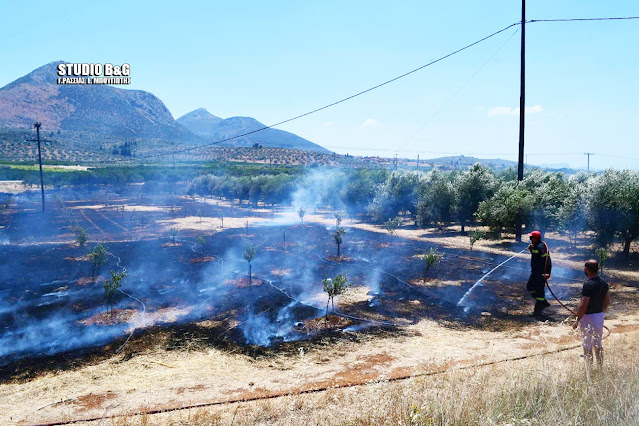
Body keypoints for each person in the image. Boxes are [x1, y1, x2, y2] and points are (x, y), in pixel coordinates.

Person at [572, 259, 610, 367]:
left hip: (587, 318)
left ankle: (588, 369)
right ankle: (599, 367)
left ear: (586, 269)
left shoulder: (588, 285)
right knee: (598, 344)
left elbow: (583, 305)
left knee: (587, 344)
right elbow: (607, 302)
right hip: (599, 316)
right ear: (597, 269)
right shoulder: (604, 283)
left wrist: (577, 320)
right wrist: (600, 313)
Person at [526, 230, 552, 316]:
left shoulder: (541, 247)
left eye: (531, 237)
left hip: (541, 273)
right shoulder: (536, 246)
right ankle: (543, 302)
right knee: (530, 287)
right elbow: (537, 258)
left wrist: (547, 272)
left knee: (539, 292)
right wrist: (531, 250)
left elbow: (547, 260)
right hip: (535, 272)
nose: (530, 239)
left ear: (535, 238)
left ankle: (537, 312)